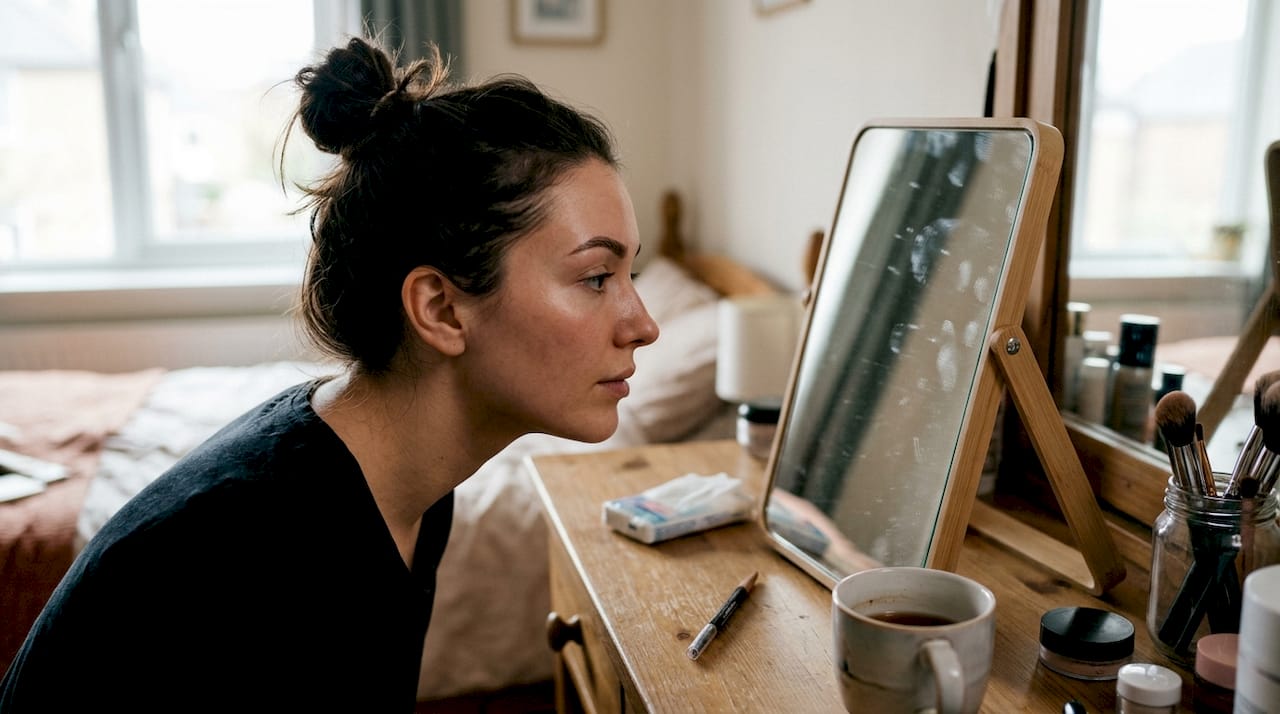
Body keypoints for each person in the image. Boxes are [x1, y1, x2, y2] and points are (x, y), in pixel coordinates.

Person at [0, 35, 658, 712]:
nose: (643, 324)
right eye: (597, 277)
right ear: (440, 308)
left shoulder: (405, 490)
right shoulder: (268, 561)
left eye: (629, 273)